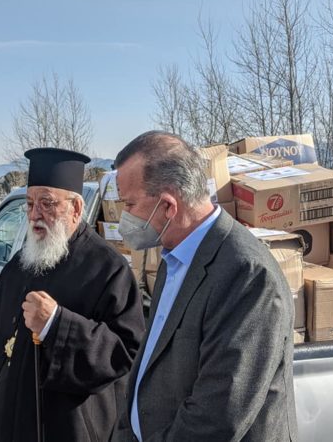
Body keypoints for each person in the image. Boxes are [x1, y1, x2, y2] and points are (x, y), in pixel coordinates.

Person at [0, 147, 145, 442]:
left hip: (64, 430)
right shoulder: (23, 262)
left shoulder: (108, 269)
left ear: (75, 208)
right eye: (30, 204)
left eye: (47, 203)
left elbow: (125, 353)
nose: (35, 215)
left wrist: (56, 326)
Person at [111, 131, 298, 441]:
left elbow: (217, 417)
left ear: (168, 206)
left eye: (129, 204)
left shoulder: (246, 274)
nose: (124, 217)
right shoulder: (174, 257)